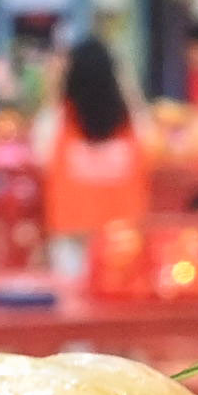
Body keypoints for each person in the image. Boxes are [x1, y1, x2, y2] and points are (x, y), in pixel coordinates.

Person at [38, 36, 153, 247]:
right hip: (122, 240)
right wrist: (126, 81)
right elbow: (150, 143)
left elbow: (40, 153)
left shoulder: (57, 121)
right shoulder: (132, 123)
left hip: (72, 236)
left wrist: (54, 86)